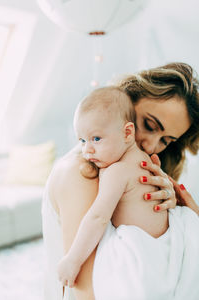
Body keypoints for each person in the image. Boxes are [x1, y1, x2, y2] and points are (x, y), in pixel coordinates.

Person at [42, 62, 199, 300]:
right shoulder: (80, 172)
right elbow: (84, 291)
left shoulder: (134, 168)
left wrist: (176, 214)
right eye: (148, 125)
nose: (150, 145)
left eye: (166, 140)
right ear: (126, 99)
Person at [57, 86, 169, 288]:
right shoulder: (143, 159)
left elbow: (98, 218)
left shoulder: (117, 171)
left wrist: (73, 259)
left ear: (127, 133)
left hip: (141, 255)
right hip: (165, 248)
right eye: (82, 140)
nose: (87, 150)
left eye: (96, 139)